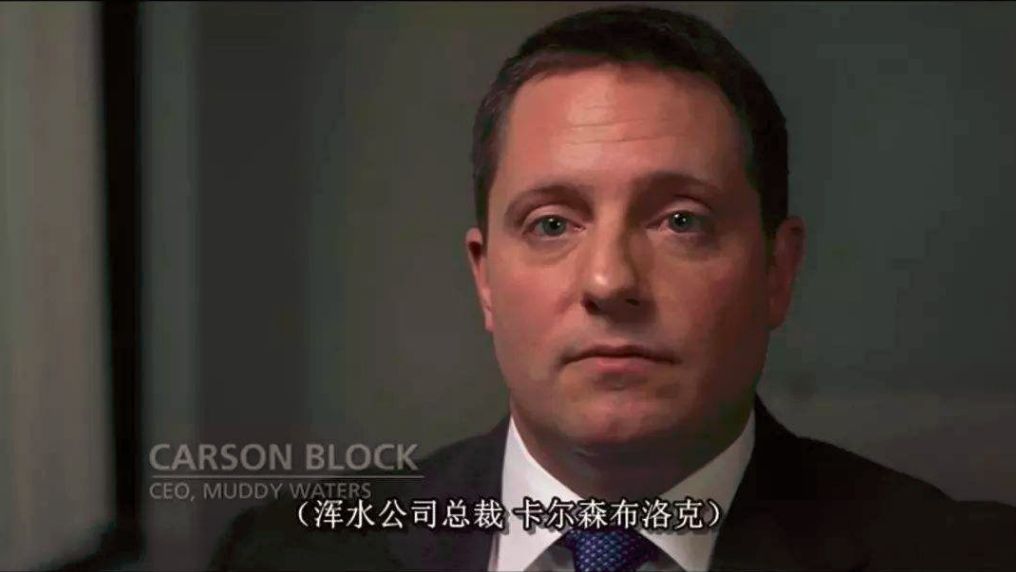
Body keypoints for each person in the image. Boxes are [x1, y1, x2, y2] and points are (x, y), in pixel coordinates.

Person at [211, 6, 1016, 571]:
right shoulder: (287, 555)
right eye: (552, 224)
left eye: (680, 221)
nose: (609, 281)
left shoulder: (961, 557)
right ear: (484, 278)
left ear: (778, 271)